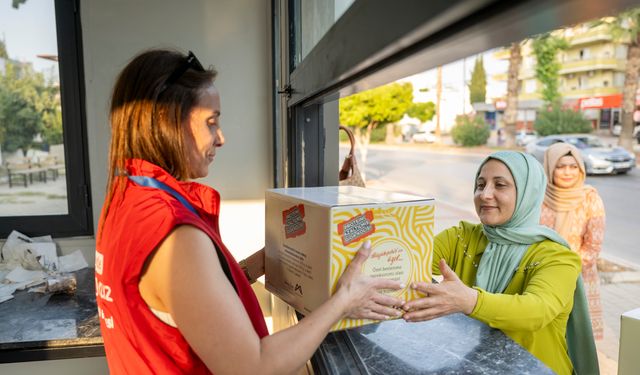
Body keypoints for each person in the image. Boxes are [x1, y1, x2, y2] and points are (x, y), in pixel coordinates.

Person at [95, 49, 404, 374]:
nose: (221, 138)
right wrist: (344, 300)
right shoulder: (172, 231)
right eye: (211, 122)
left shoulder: (125, 198)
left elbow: (192, 299)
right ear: (165, 121)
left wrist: (274, 259)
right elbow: (254, 367)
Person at [401, 151, 598, 375]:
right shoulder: (463, 237)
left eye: (500, 185)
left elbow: (537, 310)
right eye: (480, 184)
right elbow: (408, 261)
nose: (485, 194)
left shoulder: (557, 257)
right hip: (476, 365)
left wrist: (469, 301)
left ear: (527, 192)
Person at [540, 142, 606, 340]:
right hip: (541, 276)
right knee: (546, 337)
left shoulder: (590, 198)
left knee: (576, 340)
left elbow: (593, 246)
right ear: (550, 168)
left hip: (578, 276)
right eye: (560, 166)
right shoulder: (538, 197)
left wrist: (566, 270)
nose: (567, 172)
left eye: (573, 166)